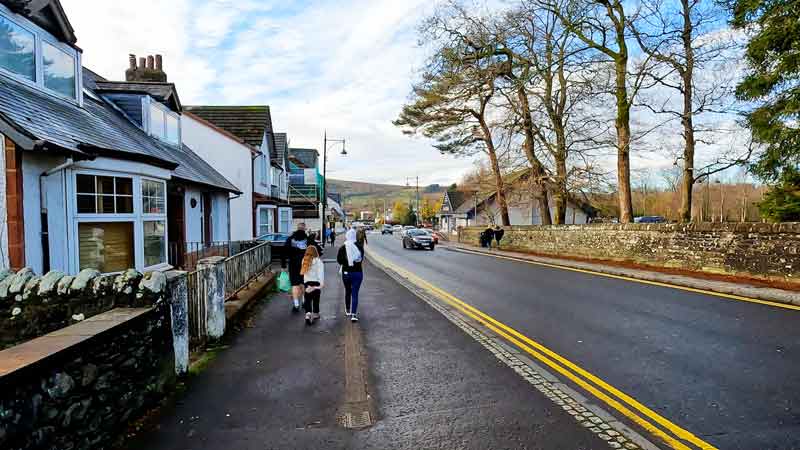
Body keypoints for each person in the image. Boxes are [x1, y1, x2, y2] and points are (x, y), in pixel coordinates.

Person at [281, 223, 322, 313]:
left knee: (295, 285)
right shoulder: (308, 239)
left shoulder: (290, 239)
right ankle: (304, 301)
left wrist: (283, 265)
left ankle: (296, 305)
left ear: (297, 228)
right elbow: (318, 250)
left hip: (293, 265)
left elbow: (283, 252)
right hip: (306, 264)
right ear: (304, 229)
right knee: (304, 283)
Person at [338, 229, 364, 322]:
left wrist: (346, 263)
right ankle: (354, 314)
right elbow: (361, 259)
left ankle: (347, 310)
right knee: (355, 293)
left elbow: (339, 260)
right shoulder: (360, 247)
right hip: (357, 273)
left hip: (346, 273)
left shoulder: (343, 247)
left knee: (347, 290)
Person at [300, 245, 324, 325]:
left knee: (308, 300)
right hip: (316, 283)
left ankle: (307, 314)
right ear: (316, 252)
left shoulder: (304, 260)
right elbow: (320, 274)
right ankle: (316, 314)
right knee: (316, 300)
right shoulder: (318, 261)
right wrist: (321, 284)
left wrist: (306, 285)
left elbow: (304, 274)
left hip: (307, 283)